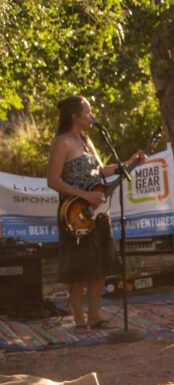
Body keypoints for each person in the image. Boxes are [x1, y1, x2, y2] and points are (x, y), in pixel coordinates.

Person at [47, 95, 145, 333]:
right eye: (88, 113)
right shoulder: (62, 142)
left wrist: (130, 162)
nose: (92, 117)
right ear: (75, 117)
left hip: (98, 210)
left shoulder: (86, 141)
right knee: (78, 267)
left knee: (99, 264)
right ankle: (79, 320)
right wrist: (83, 195)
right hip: (75, 212)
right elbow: (52, 180)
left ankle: (95, 316)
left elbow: (101, 170)